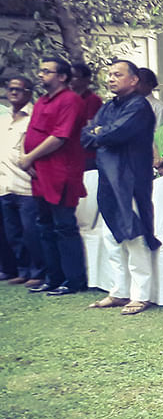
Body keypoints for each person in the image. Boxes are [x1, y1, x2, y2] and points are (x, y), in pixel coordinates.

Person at [81, 60, 160, 315]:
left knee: (133, 235)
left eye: (118, 74)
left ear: (134, 80)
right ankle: (119, 291)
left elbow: (112, 135)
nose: (111, 79)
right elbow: (85, 135)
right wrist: (100, 132)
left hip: (131, 179)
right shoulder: (108, 107)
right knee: (110, 236)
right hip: (108, 177)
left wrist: (100, 133)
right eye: (110, 74)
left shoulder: (139, 106)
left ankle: (141, 294)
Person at [19, 58, 87, 296]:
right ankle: (53, 277)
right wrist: (26, 158)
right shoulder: (41, 101)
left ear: (63, 77)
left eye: (47, 71)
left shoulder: (70, 100)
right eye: (41, 70)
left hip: (61, 173)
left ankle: (73, 280)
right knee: (44, 225)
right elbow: (30, 134)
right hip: (39, 173)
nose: (41, 75)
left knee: (64, 226)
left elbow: (60, 137)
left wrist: (29, 158)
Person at [0, 76, 45, 287]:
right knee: (13, 233)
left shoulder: (34, 117)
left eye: (19, 89)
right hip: (4, 184)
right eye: (11, 89)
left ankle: (38, 272)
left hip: (26, 183)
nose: (14, 93)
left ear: (28, 93)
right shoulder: (3, 119)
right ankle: (22, 270)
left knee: (31, 231)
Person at [69, 62, 102, 172]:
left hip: (87, 154)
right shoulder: (67, 98)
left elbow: (91, 126)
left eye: (75, 77)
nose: (71, 79)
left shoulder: (93, 100)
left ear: (86, 80)